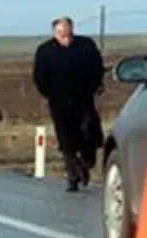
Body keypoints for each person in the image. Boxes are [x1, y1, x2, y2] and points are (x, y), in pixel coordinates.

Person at [33, 16, 105, 192]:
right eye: (61, 34)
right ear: (54, 33)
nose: (65, 37)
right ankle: (73, 176)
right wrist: (50, 94)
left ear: (72, 30)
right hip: (59, 102)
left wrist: (95, 85)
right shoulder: (45, 51)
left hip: (84, 98)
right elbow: (39, 76)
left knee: (90, 133)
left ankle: (86, 162)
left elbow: (97, 67)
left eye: (68, 33)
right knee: (66, 139)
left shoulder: (85, 46)